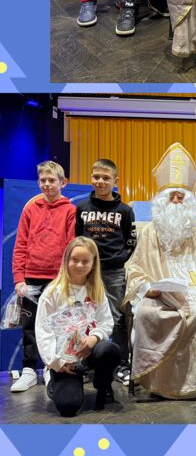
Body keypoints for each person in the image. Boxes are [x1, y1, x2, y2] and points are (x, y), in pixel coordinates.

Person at [123, 143, 196, 399]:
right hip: (160, 294)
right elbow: (135, 268)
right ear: (162, 201)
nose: (177, 201)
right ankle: (160, 382)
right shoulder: (150, 232)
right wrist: (148, 288)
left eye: (181, 197)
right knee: (149, 313)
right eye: (172, 197)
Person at [10, 161, 77, 393]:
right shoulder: (30, 209)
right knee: (29, 326)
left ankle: (52, 367)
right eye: (43, 180)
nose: (47, 184)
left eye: (51, 180)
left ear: (63, 182)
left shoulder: (70, 210)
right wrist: (19, 278)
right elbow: (20, 244)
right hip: (31, 278)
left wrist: (68, 278)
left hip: (57, 279)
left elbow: (71, 246)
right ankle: (29, 369)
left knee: (57, 324)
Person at [35, 237, 121, 416]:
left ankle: (103, 385)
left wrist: (94, 338)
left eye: (85, 261)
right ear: (66, 260)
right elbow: (43, 331)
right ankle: (55, 380)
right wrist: (56, 363)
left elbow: (106, 322)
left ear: (93, 264)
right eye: (75, 260)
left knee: (109, 350)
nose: (80, 265)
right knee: (68, 406)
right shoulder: (52, 293)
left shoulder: (97, 291)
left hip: (89, 352)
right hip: (65, 359)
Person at [74, 157, 136, 385]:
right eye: (96, 177)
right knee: (83, 316)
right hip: (86, 272)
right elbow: (77, 238)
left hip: (114, 272)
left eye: (106, 178)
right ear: (91, 178)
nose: (100, 181)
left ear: (115, 181)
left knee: (117, 318)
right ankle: (84, 363)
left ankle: (121, 365)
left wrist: (118, 259)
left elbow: (131, 241)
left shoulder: (125, 211)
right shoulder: (81, 208)